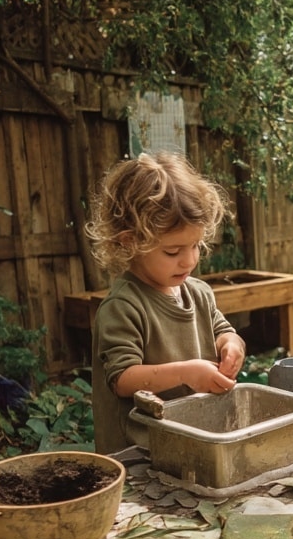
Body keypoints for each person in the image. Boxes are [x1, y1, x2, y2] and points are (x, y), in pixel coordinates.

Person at [86, 152, 247, 454]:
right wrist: (186, 372)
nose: (189, 260)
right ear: (129, 241)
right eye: (173, 251)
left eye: (196, 245)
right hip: (140, 455)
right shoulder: (123, 306)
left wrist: (231, 345)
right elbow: (122, 379)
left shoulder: (199, 293)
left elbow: (222, 330)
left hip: (190, 442)